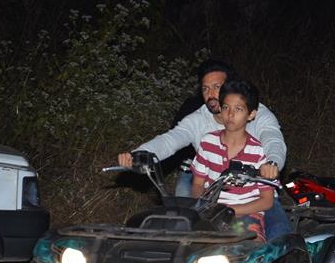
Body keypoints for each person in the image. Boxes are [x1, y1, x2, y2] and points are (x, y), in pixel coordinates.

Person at [118, 59, 291, 240]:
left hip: (251, 186)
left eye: (217, 87)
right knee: (180, 227)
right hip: (203, 177)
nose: (211, 94)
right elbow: (170, 140)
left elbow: (273, 139)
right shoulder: (198, 120)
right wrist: (138, 154)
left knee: (279, 232)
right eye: (205, 89)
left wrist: (273, 162)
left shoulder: (255, 112)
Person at [190, 79, 273, 240]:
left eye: (238, 109)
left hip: (246, 214)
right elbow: (197, 184)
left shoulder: (258, 151)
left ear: (251, 114)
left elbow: (267, 201)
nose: (230, 114)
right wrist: (204, 206)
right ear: (220, 109)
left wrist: (231, 209)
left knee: (249, 249)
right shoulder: (208, 142)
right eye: (226, 107)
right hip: (211, 214)